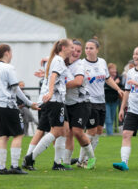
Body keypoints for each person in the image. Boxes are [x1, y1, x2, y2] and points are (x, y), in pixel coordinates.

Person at [23, 39, 74, 170]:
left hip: (55, 100)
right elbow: (53, 76)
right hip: (54, 101)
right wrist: (51, 92)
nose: (72, 50)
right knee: (57, 131)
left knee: (64, 129)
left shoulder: (56, 60)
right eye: (71, 47)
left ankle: (57, 163)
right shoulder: (58, 60)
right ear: (63, 48)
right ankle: (30, 158)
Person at [0, 44, 39, 174]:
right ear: (7, 53)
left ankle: (1, 168)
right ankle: (15, 166)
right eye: (11, 52)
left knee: (3, 137)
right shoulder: (8, 68)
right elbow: (16, 89)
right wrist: (29, 103)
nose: (12, 55)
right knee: (19, 134)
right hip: (7, 106)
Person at [78, 38, 124, 166]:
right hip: (89, 101)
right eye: (86, 48)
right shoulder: (81, 64)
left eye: (91, 48)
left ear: (97, 50)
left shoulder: (102, 62)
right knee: (91, 132)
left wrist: (118, 89)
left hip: (101, 101)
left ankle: (86, 158)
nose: (88, 50)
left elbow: (108, 79)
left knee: (98, 131)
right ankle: (82, 160)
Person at [62, 39, 96, 169]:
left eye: (78, 51)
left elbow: (77, 81)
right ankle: (66, 162)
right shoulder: (63, 63)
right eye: (73, 49)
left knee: (77, 131)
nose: (75, 53)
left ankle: (91, 158)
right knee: (68, 133)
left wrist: (58, 85)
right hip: (67, 103)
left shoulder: (80, 65)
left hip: (82, 103)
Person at [105, 63, 122, 136]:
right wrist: (115, 83)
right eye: (112, 69)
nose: (114, 70)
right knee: (108, 118)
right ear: (109, 70)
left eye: (115, 69)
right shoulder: (106, 77)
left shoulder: (119, 77)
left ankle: (110, 133)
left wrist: (118, 83)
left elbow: (121, 87)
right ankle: (110, 134)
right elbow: (105, 85)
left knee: (112, 117)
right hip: (106, 100)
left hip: (115, 100)